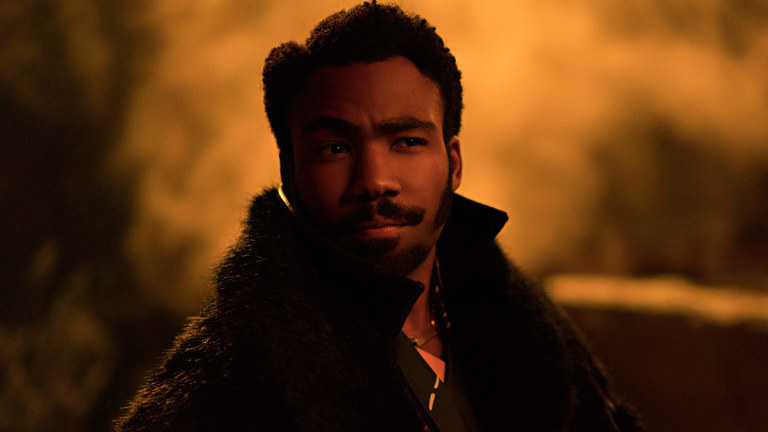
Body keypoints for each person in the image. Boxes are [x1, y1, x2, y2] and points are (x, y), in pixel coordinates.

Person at [116, 2, 641, 431]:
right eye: (335, 148)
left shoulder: (528, 338)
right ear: (289, 173)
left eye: (406, 141)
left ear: (453, 163)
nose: (374, 180)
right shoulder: (226, 391)